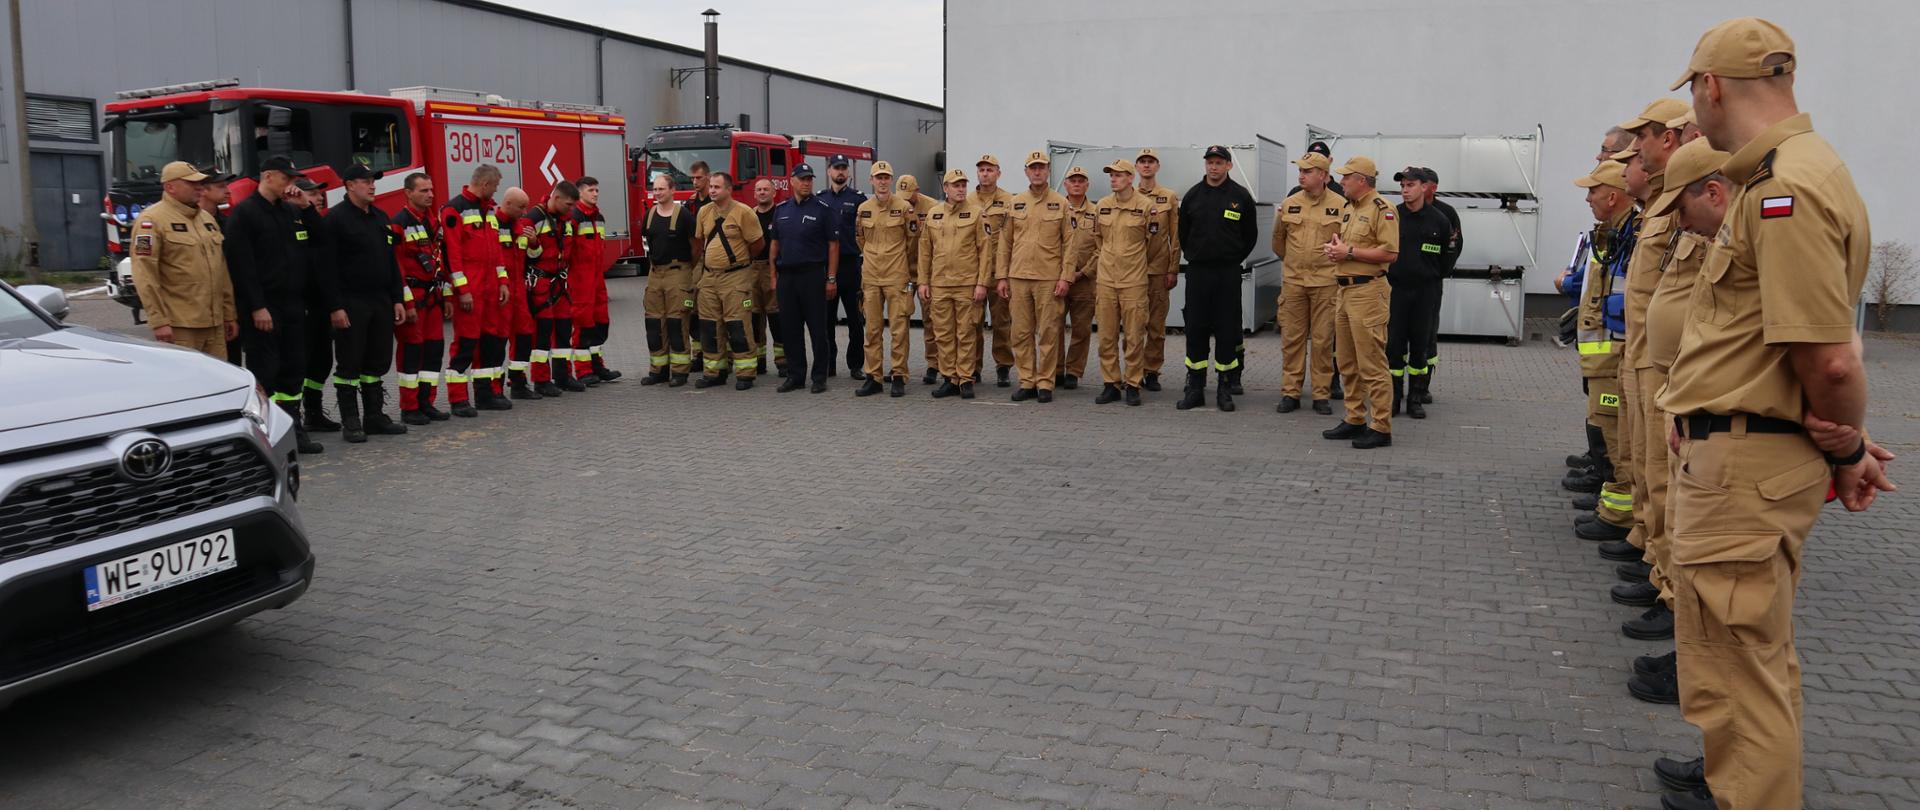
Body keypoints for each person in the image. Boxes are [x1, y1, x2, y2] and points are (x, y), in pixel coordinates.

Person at [1652, 20, 1890, 810]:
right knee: (1746, 652)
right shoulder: (1784, 174)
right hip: (1746, 458)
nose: (1696, 105)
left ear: (1711, 86)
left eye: (1694, 90)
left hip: (1748, 469)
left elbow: (1828, 357)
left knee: (1739, 657)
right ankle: (1737, 776)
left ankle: (1749, 796)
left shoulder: (1786, 188)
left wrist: (1848, 441)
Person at [1610, 138, 1724, 713]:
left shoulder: (1752, 209)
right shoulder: (1675, 209)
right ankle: (1661, 578)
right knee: (1655, 477)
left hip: (1703, 396)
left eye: (1634, 147)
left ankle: (1675, 608)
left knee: (1679, 502)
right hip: (1658, 367)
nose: (1631, 155)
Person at [225, 156, 323, 453]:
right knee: (267, 371)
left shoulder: (288, 211)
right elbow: (242, 266)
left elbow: (320, 239)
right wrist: (256, 306)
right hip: (264, 307)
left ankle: (293, 430)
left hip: (292, 304)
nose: (291, 184)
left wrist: (306, 207)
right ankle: (265, 434)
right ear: (267, 176)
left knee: (294, 369)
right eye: (286, 178)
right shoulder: (245, 214)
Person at [322, 163, 409, 443]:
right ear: (349, 185)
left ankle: (374, 416)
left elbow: (391, 263)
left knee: (377, 361)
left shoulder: (380, 217)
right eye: (365, 181)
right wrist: (335, 307)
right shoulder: (335, 220)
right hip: (351, 302)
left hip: (380, 301)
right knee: (350, 362)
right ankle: (351, 420)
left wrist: (397, 299)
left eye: (373, 180)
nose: (372, 185)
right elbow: (327, 269)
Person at [1319, 156, 1400, 449]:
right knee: (1347, 362)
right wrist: (1336, 251)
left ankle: (1381, 427)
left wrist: (1349, 252)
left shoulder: (1383, 209)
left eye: (1346, 178)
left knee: (1372, 364)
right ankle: (1354, 419)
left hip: (1368, 293)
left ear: (1362, 180)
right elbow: (1348, 249)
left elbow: (1390, 254)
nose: (1341, 182)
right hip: (1344, 291)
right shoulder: (1349, 208)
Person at [1175, 145, 1258, 412]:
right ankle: (1195, 387)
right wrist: (1197, 255)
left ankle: (1225, 388)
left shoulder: (1240, 197)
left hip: (1227, 273)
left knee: (1226, 329)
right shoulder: (1193, 196)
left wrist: (1231, 258)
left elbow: (1250, 236)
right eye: (1210, 162)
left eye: (1219, 162)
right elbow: (1182, 233)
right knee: (1196, 329)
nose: (1214, 167)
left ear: (1229, 166)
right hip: (1198, 272)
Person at [128, 161, 237, 360]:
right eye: (192, 183)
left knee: (218, 383)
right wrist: (159, 321)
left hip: (214, 324)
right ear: (170, 187)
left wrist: (229, 314)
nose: (199, 188)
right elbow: (145, 275)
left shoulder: (206, 219)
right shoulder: (152, 220)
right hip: (181, 325)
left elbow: (221, 271)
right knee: (189, 383)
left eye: (201, 183)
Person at [1272, 152, 1342, 415]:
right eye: (1300, 170)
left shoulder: (1341, 205)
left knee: (1324, 341)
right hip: (1294, 282)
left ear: (1322, 175)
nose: (1301, 175)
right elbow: (1279, 241)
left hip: (1325, 283)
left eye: (1307, 171)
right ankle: (1290, 392)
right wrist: (1294, 264)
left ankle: (1321, 394)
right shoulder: (1289, 203)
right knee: (1292, 339)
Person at [997, 151, 1071, 403]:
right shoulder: (1015, 202)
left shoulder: (1060, 203)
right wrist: (1001, 277)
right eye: (1033, 168)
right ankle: (1027, 380)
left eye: (1041, 168)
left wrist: (1065, 278)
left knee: (1048, 332)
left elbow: (1069, 245)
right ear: (1026, 171)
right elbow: (1005, 243)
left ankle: (1046, 383)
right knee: (1020, 332)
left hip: (1049, 279)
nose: (1037, 171)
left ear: (1048, 171)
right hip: (1018, 277)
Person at [917, 168, 992, 399]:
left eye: (963, 185)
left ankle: (966, 378)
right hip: (939, 284)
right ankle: (949, 378)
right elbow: (925, 251)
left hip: (967, 284)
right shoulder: (934, 214)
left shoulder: (977, 214)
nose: (961, 189)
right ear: (945, 188)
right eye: (956, 185)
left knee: (966, 332)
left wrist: (982, 284)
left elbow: (986, 251)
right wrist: (923, 281)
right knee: (943, 333)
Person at [1385, 166, 1452, 420]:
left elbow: (1448, 256)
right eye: (1402, 186)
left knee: (1420, 347)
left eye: (1410, 185)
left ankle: (1415, 399)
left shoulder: (1439, 220)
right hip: (1397, 290)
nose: (1404, 190)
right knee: (1394, 346)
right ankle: (1392, 399)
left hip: (1426, 291)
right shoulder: (1393, 216)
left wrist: (1431, 277)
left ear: (1424, 187)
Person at [441, 164, 507, 416]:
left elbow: (497, 252)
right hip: (471, 290)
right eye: (495, 186)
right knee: (466, 344)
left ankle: (484, 395)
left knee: (489, 343)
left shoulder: (488, 211)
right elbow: (452, 256)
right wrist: (463, 290)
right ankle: (458, 399)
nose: (496, 191)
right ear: (485, 185)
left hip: (490, 289)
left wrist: (502, 282)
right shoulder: (454, 210)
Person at [769, 163, 840, 393]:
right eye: (802, 179)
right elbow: (775, 245)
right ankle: (795, 375)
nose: (807, 182)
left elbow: (833, 246)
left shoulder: (823, 208)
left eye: (810, 179)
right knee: (790, 329)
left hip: (812, 276)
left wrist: (831, 278)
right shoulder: (781, 209)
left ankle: (819, 377)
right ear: (792, 181)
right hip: (787, 277)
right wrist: (773, 276)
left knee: (818, 330)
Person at [1090, 160, 1155, 406]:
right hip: (1106, 280)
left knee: (1134, 336)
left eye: (1118, 175)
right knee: (1106, 335)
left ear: (1130, 178)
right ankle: (1111, 383)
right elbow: (1098, 240)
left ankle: (1133, 383)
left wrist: (1132, 263)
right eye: (1111, 176)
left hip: (1133, 281)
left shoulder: (1146, 206)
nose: (1113, 179)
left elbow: (1154, 244)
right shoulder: (1103, 206)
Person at [692, 171, 765, 390]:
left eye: (717, 187)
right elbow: (698, 242)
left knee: (738, 326)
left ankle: (745, 373)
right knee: (710, 327)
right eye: (711, 187)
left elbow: (758, 244)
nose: (712, 190)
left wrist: (739, 263)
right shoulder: (704, 212)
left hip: (736, 278)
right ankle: (715, 372)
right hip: (709, 278)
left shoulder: (743, 213)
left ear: (729, 190)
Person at [852, 161, 917, 397]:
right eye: (878, 177)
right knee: (872, 329)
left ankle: (898, 375)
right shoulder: (863, 209)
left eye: (886, 177)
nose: (882, 181)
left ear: (891, 180)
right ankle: (874, 377)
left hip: (896, 275)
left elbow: (912, 241)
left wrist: (896, 259)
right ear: (871, 180)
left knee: (899, 328)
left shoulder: (904, 207)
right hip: (870, 276)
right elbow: (861, 239)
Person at [392, 172, 450, 423]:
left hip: (434, 297)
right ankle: (409, 406)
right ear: (408, 193)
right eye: (424, 191)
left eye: (431, 190)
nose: (430, 195)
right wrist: (407, 303)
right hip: (414, 298)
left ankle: (427, 401)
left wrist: (447, 295)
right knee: (411, 352)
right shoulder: (399, 224)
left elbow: (442, 261)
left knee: (434, 351)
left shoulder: (433, 221)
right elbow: (397, 268)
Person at [289, 178, 343, 433]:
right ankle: (293, 417)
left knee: (321, 363)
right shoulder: (288, 221)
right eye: (312, 193)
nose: (319, 197)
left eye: (320, 193)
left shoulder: (316, 220)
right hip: (301, 305)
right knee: (299, 363)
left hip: (322, 303)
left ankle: (313, 411)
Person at [523, 182, 582, 395]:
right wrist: (532, 244)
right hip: (540, 283)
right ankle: (541, 380)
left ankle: (563, 376)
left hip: (560, 283)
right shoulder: (534, 218)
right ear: (556, 198)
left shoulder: (568, 221)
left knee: (565, 330)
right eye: (568, 204)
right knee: (543, 333)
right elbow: (525, 257)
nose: (571, 208)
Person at [639, 174, 695, 385]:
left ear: (672, 190)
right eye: (655, 188)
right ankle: (658, 370)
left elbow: (695, 245)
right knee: (654, 323)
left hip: (677, 273)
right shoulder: (649, 215)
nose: (657, 192)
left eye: (662, 189)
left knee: (676, 321)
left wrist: (688, 269)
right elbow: (647, 240)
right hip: (656, 274)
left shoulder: (685, 216)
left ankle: (680, 371)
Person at [1135, 149, 1181, 393]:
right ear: (1136, 167)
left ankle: (1151, 371)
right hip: (1132, 271)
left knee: (1155, 325)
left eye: (1150, 162)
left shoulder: (1168, 197)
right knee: (1132, 325)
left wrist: (1173, 268)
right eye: (1142, 162)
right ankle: (1133, 371)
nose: (1146, 166)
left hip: (1159, 270)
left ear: (1157, 166)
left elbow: (1175, 235)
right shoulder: (1127, 195)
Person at [1414, 167, 1461, 404]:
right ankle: (1401, 386)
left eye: (1421, 183)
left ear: (1432, 187)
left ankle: (1423, 386)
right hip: (1404, 287)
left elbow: (1453, 248)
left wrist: (1438, 273)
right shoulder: (1402, 212)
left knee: (1428, 333)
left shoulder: (1446, 213)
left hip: (1431, 285)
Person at [819, 154, 869, 379]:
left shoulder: (858, 199)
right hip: (828, 266)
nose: (840, 172)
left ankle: (855, 365)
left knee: (856, 320)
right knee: (826, 319)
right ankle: (829, 364)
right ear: (829, 171)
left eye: (843, 168)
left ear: (848, 172)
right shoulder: (820, 199)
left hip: (850, 265)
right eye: (836, 168)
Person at [568, 176, 620, 384]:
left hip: (597, 279)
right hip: (580, 280)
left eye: (597, 190)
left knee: (600, 323)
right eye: (591, 190)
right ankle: (583, 371)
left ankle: (597, 365)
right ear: (580, 193)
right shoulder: (574, 217)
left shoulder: (599, 218)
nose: (596, 194)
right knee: (583, 324)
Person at [970, 155, 1017, 385]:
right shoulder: (967, 200)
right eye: (982, 170)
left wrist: (1005, 275)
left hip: (999, 272)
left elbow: (1012, 239)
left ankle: (1003, 366)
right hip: (974, 272)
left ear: (999, 173)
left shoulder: (1009, 201)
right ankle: (973, 367)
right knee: (973, 322)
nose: (985, 173)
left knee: (1001, 321)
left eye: (990, 170)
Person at [494, 187, 540, 400]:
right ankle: (494, 388)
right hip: (499, 290)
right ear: (508, 204)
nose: (525, 211)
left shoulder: (522, 226)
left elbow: (532, 256)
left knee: (524, 335)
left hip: (519, 289)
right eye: (521, 207)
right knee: (497, 339)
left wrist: (534, 243)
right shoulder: (492, 224)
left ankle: (518, 382)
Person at [1055, 166, 1099, 391]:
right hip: (1058, 280)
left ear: (1087, 185)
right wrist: (1062, 274)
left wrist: (1083, 272)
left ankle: (1073, 371)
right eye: (1073, 180)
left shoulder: (1097, 212)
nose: (1077, 184)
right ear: (1065, 184)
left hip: (1084, 280)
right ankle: (1055, 371)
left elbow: (1101, 247)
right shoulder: (1056, 209)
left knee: (1081, 329)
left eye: (1081, 180)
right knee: (1054, 326)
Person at [898, 174, 941, 384]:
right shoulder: (896, 205)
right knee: (900, 319)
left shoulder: (932, 207)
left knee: (930, 320)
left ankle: (933, 365)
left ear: (918, 190)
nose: (906, 200)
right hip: (904, 272)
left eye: (909, 195)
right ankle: (899, 367)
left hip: (926, 273)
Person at [198, 169, 243, 365]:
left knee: (232, 362)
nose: (228, 190)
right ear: (204, 190)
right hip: (198, 312)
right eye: (221, 186)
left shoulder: (229, 222)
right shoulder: (189, 223)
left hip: (228, 306)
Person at [750, 177, 786, 378]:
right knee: (754, 317)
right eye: (759, 190)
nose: (762, 192)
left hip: (773, 270)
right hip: (752, 270)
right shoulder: (749, 215)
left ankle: (782, 362)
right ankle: (758, 360)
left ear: (774, 193)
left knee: (776, 316)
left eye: (766, 189)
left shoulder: (780, 215)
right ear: (754, 194)